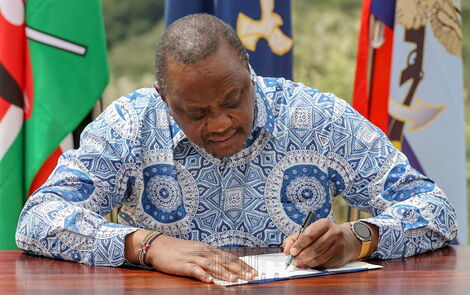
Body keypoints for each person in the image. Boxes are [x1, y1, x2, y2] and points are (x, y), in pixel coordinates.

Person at [16, 13, 457, 283]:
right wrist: (147, 245)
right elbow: (37, 220)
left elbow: (436, 210)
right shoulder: (130, 124)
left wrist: (359, 238)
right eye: (196, 112)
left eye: (233, 100)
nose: (222, 123)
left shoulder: (315, 116)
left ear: (248, 70)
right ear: (163, 98)